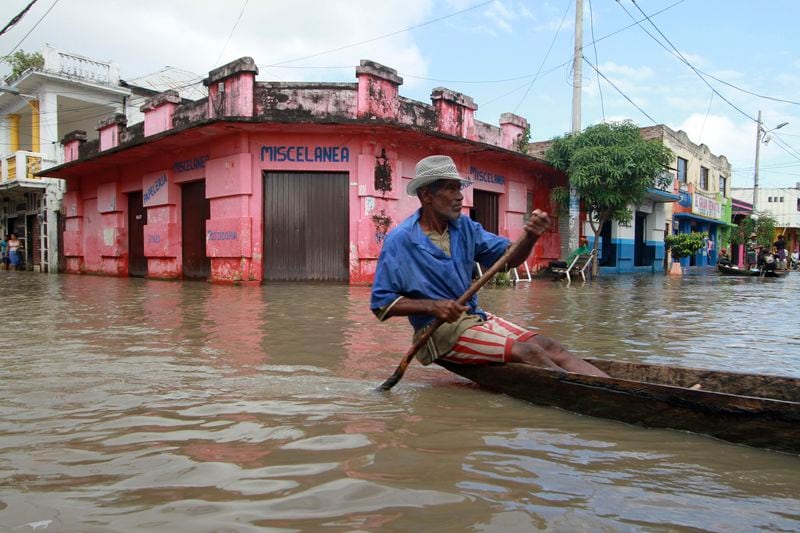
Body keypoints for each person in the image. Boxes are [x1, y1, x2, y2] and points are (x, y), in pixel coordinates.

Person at [370, 154, 609, 378]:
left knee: (549, 346)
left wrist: (530, 236)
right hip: (437, 332)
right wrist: (434, 307)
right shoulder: (401, 240)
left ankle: (608, 386)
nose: (460, 196)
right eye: (450, 188)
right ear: (426, 195)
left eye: (458, 188)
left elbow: (509, 258)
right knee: (529, 353)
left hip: (474, 317)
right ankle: (582, 394)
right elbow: (382, 304)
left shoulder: (465, 227)